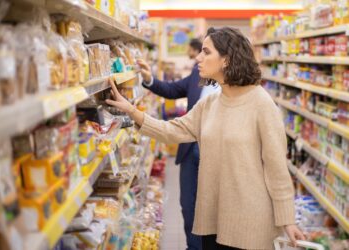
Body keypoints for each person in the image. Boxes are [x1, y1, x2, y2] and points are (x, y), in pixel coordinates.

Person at [106, 27, 305, 250]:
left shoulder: (261, 104)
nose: (199, 57)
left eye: (206, 52)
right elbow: (172, 130)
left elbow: (277, 168)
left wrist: (287, 220)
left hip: (250, 223)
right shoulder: (210, 104)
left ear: (226, 60)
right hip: (214, 218)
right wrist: (132, 112)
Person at [137, 38, 220, 250]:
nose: (198, 57)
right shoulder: (199, 75)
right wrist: (149, 79)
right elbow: (173, 90)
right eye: (201, 51)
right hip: (192, 149)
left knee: (216, 209)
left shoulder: (237, 86)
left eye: (206, 52)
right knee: (188, 205)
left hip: (220, 156)